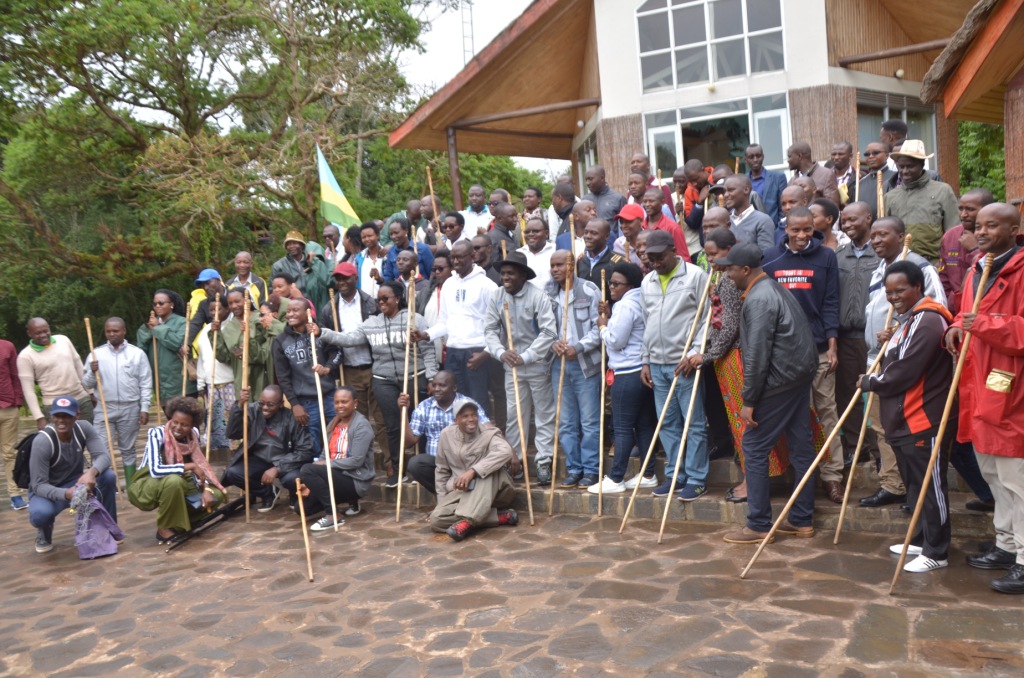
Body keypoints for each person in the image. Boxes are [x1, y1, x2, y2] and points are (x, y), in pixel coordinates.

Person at [716, 243, 819, 544]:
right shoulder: (772, 288)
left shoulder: (759, 299)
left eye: (730, 269)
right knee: (801, 447)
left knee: (754, 446)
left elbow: (757, 354)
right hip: (796, 378)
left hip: (779, 382)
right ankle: (801, 519)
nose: (727, 275)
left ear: (745, 270)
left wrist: (749, 400)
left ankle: (759, 524)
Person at [947, 203, 1024, 593]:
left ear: (1014, 229)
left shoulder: (1020, 270)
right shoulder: (978, 268)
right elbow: (965, 314)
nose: (981, 232)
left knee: (1017, 480)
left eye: (991, 226)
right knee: (993, 475)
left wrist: (985, 324)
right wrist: (955, 327)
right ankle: (1007, 544)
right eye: (978, 226)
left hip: (1013, 390)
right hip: (980, 386)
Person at [862, 261, 954, 572]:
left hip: (922, 418)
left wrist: (872, 382)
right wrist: (889, 341)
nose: (893, 297)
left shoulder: (928, 320)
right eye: (889, 292)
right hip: (904, 418)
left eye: (900, 290)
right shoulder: (910, 319)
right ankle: (919, 537)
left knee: (930, 486)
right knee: (915, 486)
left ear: (917, 287)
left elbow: (906, 370)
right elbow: (898, 356)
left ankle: (937, 550)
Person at [859, 217, 946, 508]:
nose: (876, 240)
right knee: (881, 425)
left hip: (907, 362)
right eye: (873, 236)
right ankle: (893, 483)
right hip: (877, 357)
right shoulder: (878, 270)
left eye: (883, 234)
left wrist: (898, 331)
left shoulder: (919, 267)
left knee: (905, 426)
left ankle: (912, 490)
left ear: (900, 236)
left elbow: (936, 311)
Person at [315, 280, 436, 487]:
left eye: (385, 299)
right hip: (383, 379)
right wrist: (321, 332)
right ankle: (397, 470)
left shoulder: (414, 319)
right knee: (392, 425)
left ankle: (419, 467)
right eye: (378, 299)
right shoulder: (371, 323)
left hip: (414, 375)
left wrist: (432, 377)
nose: (381, 303)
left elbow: (428, 349)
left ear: (397, 298)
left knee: (419, 422)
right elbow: (349, 339)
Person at [762, 206, 845, 503]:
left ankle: (833, 475)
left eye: (807, 229)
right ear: (785, 228)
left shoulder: (826, 257)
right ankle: (801, 476)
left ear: (814, 228)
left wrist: (833, 344)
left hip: (819, 349)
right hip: (784, 355)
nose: (801, 235)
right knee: (796, 417)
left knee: (827, 411)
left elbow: (831, 302)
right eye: (795, 230)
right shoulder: (770, 258)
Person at [639, 230, 709, 500]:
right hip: (657, 364)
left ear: (673, 251)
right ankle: (676, 475)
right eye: (651, 258)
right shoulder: (647, 281)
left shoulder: (695, 276)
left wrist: (694, 354)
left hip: (684, 363)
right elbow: (646, 322)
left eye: (660, 257)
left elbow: (706, 318)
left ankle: (697, 478)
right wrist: (645, 360)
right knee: (667, 423)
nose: (655, 263)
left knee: (694, 423)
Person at [484, 251, 558, 485]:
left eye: (511, 273)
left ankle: (544, 461)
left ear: (523, 276)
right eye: (503, 273)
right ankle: (515, 461)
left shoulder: (538, 296)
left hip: (537, 364)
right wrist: (500, 352)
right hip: (511, 366)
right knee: (515, 416)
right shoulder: (497, 296)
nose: (505, 277)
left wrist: (526, 356)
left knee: (544, 415)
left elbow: (549, 332)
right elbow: (489, 330)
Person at [590, 262, 658, 494]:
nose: (611, 287)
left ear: (630, 286)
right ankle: (648, 474)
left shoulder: (625, 305)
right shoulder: (641, 300)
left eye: (616, 284)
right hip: (642, 370)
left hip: (627, 372)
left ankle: (616, 477)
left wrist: (602, 326)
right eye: (610, 283)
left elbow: (616, 340)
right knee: (644, 425)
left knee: (621, 427)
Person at [128, 396, 227, 544]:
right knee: (174, 481)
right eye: (175, 422)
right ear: (170, 418)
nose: (178, 428)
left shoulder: (193, 435)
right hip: (148, 483)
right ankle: (164, 528)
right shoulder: (157, 434)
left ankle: (181, 524)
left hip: (180, 479)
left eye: (184, 425)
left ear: (192, 425)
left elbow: (199, 466)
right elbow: (155, 470)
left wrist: (206, 488)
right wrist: (190, 467)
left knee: (216, 495)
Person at [27, 396, 118, 553]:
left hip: (76, 482)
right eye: (57, 416)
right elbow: (38, 485)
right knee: (40, 514)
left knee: (108, 477)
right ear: (52, 417)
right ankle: (44, 531)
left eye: (67, 416)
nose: (61, 420)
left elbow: (104, 456)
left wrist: (91, 472)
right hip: (47, 490)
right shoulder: (43, 441)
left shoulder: (83, 428)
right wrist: (66, 494)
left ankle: (109, 529)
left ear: (77, 415)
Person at [417, 240, 498, 415]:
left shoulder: (487, 286)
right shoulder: (448, 284)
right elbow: (444, 322)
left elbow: (499, 325)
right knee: (454, 400)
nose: (455, 261)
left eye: (460, 257)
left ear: (473, 256)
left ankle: (481, 433)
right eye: (453, 257)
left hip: (477, 352)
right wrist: (426, 334)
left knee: (478, 400)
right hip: (453, 351)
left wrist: (486, 353)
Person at [319, 261, 387, 456]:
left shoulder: (371, 303)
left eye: (345, 278)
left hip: (375, 367)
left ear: (355, 278)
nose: (341, 282)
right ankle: (360, 462)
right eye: (338, 279)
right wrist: (332, 366)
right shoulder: (329, 309)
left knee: (381, 418)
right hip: (349, 370)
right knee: (357, 420)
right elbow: (329, 345)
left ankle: (390, 464)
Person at [546, 250, 602, 487]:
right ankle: (574, 468)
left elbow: (599, 328)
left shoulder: (589, 290)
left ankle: (591, 469)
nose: (555, 269)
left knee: (589, 421)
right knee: (566, 422)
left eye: (560, 265)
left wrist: (577, 347)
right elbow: (543, 327)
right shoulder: (547, 293)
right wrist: (553, 343)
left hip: (585, 364)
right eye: (552, 265)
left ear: (571, 266)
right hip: (558, 363)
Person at [429, 398, 519, 542]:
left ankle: (468, 521)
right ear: (456, 420)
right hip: (463, 491)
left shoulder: (489, 433)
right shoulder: (446, 435)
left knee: (487, 471)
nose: (471, 419)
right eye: (465, 416)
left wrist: (472, 472)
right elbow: (441, 470)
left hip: (495, 490)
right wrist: (442, 503)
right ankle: (497, 517)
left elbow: (505, 452)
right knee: (436, 519)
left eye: (474, 415)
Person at [82, 317, 152, 490]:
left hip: (130, 407)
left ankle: (131, 487)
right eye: (108, 331)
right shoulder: (96, 354)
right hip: (105, 407)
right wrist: (92, 372)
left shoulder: (137, 354)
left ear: (124, 331)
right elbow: (86, 384)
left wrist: (144, 408)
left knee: (128, 448)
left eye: (116, 331)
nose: (112, 334)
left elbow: (145, 382)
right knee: (101, 450)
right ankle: (105, 488)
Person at [224, 385, 314, 513]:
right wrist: (239, 406)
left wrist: (278, 468)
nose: (265, 408)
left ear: (281, 404)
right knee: (233, 473)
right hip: (259, 458)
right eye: (262, 403)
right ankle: (268, 493)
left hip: (285, 459)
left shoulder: (291, 418)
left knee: (292, 479)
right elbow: (232, 433)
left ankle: (294, 494)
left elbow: (304, 451)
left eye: (270, 404)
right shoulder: (253, 410)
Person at [835, 202, 879, 463]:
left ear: (868, 218)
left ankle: (880, 450)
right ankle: (856, 446)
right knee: (847, 394)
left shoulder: (882, 254)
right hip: (845, 336)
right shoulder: (839, 256)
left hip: (873, 336)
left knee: (877, 393)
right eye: (844, 221)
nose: (847, 225)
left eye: (853, 219)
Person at [297, 387, 376, 530]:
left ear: (355, 403)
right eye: (337, 402)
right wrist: (310, 484)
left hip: (354, 480)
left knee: (307, 470)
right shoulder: (334, 423)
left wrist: (325, 464)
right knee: (302, 508)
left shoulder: (361, 425)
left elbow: (356, 461)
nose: (340, 406)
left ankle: (333, 515)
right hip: (335, 476)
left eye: (344, 402)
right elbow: (323, 455)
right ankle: (348, 501)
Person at [399, 370, 490, 495]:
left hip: (464, 461)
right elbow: (408, 443)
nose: (436, 389)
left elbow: (489, 429)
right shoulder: (424, 406)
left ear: (454, 388)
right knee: (415, 464)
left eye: (442, 385)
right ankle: (449, 497)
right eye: (434, 385)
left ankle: (458, 497)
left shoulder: (467, 404)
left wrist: (509, 450)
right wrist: (403, 411)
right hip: (438, 463)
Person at [271, 298, 340, 457]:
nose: (290, 314)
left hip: (329, 395)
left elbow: (337, 353)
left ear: (307, 312)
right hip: (305, 401)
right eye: (288, 311)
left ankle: (337, 468)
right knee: (311, 442)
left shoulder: (320, 332)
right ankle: (314, 469)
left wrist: (328, 368)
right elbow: (283, 377)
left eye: (295, 310)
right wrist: (294, 404)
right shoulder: (280, 341)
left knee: (337, 434)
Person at [885, 140, 959, 264]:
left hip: (934, 264)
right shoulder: (890, 197)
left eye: (910, 166)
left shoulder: (943, 191)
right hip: (900, 265)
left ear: (922, 164)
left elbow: (954, 233)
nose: (905, 171)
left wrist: (949, 264)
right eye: (901, 167)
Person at [18, 317, 93, 430]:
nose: (43, 335)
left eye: (45, 331)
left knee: (86, 434)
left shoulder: (63, 340)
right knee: (61, 438)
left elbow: (78, 366)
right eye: (38, 333)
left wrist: (90, 392)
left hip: (80, 399)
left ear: (49, 328)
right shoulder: (25, 356)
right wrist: (39, 417)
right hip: (54, 404)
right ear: (29, 334)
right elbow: (28, 390)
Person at [939, 188, 993, 314]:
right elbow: (943, 279)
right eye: (960, 209)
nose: (963, 214)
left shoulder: (996, 235)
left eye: (970, 209)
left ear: (987, 209)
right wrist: (950, 307)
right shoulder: (950, 236)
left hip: (984, 309)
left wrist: (975, 250)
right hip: (954, 311)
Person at [138, 289, 194, 405]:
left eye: (161, 303)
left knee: (185, 415)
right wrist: (146, 332)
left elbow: (177, 343)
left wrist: (158, 328)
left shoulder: (182, 322)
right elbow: (140, 352)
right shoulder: (149, 326)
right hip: (160, 384)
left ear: (171, 304)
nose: (157, 306)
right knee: (168, 415)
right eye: (155, 304)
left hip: (181, 384)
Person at [196, 299, 235, 453]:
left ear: (227, 309)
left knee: (232, 419)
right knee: (215, 420)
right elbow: (202, 359)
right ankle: (218, 453)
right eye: (211, 310)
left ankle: (235, 451)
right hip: (211, 383)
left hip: (230, 381)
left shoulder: (232, 327)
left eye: (218, 309)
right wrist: (200, 383)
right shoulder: (206, 330)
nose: (214, 313)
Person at [217, 288, 269, 397]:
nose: (234, 306)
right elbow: (225, 357)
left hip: (261, 374)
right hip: (241, 376)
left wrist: (248, 341)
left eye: (237, 301)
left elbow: (265, 350)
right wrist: (215, 335)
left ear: (247, 301)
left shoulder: (261, 319)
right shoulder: (228, 328)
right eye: (230, 303)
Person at [270, 230, 331, 313]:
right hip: (291, 305)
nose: (291, 246)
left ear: (302, 245)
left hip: (314, 302)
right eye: (289, 244)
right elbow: (273, 290)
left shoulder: (312, 261)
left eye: (295, 243)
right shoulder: (279, 266)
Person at [1, 338, 25, 510]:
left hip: (8, 408)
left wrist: (17, 401)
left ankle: (15, 495)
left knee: (9, 454)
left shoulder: (7, 346)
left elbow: (15, 375)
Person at [725, 175, 775, 252]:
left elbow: (767, 255)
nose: (725, 195)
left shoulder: (763, 221)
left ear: (746, 190)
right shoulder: (726, 221)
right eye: (724, 191)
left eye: (731, 190)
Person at [183, 268, 227, 351]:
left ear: (219, 280)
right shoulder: (204, 304)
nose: (206, 287)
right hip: (217, 345)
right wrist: (186, 343)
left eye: (208, 283)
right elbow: (195, 324)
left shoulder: (234, 296)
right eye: (203, 285)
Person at [642, 188, 690, 262]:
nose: (647, 204)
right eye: (645, 201)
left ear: (662, 202)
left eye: (651, 201)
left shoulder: (672, 227)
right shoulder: (640, 227)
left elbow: (684, 257)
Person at [575, 218, 623, 293]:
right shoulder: (580, 261)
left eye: (594, 233)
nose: (588, 236)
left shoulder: (618, 262)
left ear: (607, 236)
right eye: (586, 232)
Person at [745, 143, 787, 225]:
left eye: (758, 156)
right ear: (746, 160)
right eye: (751, 157)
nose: (755, 159)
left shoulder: (778, 178)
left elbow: (783, 207)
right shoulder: (742, 181)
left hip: (773, 228)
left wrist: (779, 228)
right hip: (749, 228)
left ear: (763, 157)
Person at [583, 165, 627, 236]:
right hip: (590, 241)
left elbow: (625, 225)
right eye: (586, 180)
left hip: (611, 241)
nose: (587, 183)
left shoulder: (618, 199)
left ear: (602, 178)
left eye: (590, 179)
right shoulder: (584, 200)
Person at [858, 142, 896, 218]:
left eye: (876, 153)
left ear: (887, 155)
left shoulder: (896, 178)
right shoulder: (860, 183)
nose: (871, 156)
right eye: (867, 154)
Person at [520, 217, 558, 290]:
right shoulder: (519, 254)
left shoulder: (556, 250)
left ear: (546, 233)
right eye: (527, 232)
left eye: (535, 231)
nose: (530, 234)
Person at [356, 221, 385, 296]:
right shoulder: (359, 257)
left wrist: (379, 279)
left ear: (377, 235)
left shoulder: (386, 256)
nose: (367, 239)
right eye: (364, 237)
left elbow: (391, 279)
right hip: (364, 300)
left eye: (369, 236)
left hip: (382, 300)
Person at [612, 204, 646, 268]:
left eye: (628, 221)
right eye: (621, 222)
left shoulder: (652, 240)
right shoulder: (618, 244)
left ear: (641, 221)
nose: (623, 226)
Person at [830, 141, 858, 206]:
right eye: (833, 154)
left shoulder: (859, 176)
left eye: (841, 154)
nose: (836, 157)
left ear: (850, 156)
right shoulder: (825, 176)